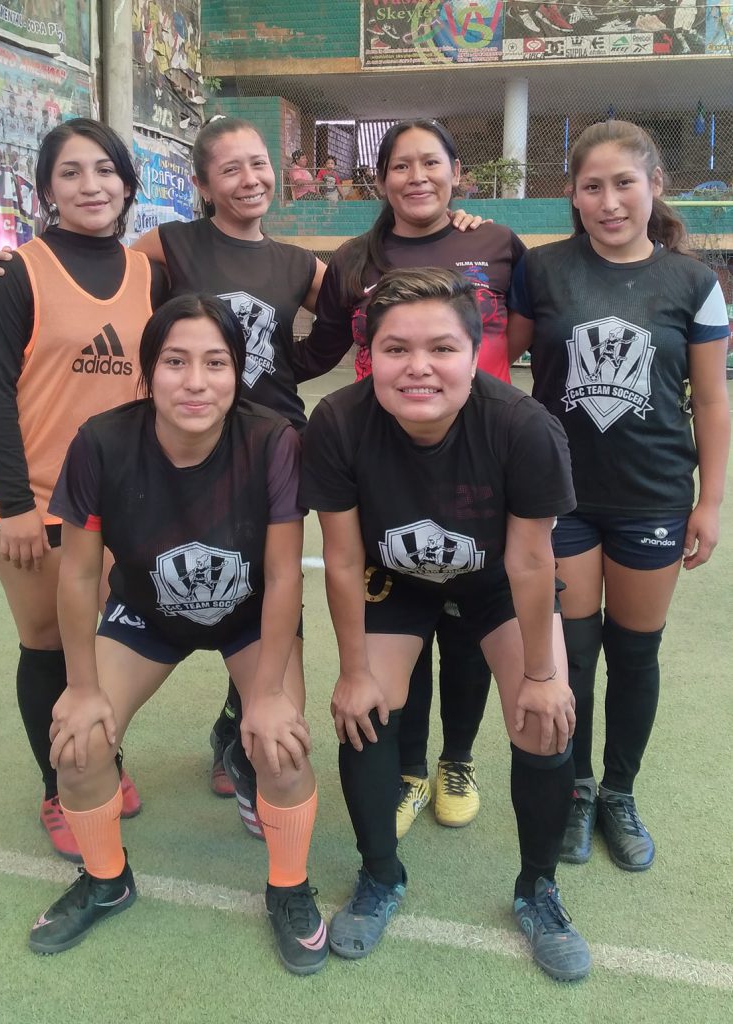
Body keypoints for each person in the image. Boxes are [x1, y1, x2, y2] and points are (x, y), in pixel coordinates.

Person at [0, 114, 483, 813]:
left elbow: (359, 305)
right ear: (202, 184)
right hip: (135, 462)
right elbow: (74, 287)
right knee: (99, 623)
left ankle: (235, 730)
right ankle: (73, 777)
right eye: (230, 168)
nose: (250, 179)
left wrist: (450, 232)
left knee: (247, 594)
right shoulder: (163, 249)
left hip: (256, 452)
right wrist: (13, 262)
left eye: (259, 163)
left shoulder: (274, 264)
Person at [300, 267, 591, 982]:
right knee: (365, 710)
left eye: (442, 348)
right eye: (396, 349)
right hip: (395, 578)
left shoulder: (523, 426)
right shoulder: (337, 421)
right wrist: (353, 672)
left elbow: (530, 561)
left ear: (476, 351)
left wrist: (543, 676)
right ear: (369, 355)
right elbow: (342, 559)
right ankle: (380, 875)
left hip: (494, 582)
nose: (419, 367)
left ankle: (538, 889)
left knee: (544, 720)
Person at [27, 294, 327, 975]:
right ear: (147, 371)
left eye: (216, 363)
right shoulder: (100, 442)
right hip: (146, 612)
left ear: (238, 372)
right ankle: (106, 881)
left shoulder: (273, 441)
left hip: (249, 613)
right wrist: (80, 687)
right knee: (78, 746)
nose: (196, 382)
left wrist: (268, 695)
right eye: (175, 362)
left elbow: (284, 575)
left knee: (280, 747)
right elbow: (78, 575)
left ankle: (288, 887)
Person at [293, 118, 526, 840]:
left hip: (477, 463)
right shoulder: (354, 259)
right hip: (386, 469)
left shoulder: (497, 244)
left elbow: (526, 332)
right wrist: (227, 367)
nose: (416, 177)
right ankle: (411, 768)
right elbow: (321, 348)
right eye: (400, 165)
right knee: (404, 617)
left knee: (467, 625)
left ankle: (458, 760)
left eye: (431, 163)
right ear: (381, 179)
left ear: (458, 173)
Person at [507, 120, 730, 872]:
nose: (609, 202)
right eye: (592, 187)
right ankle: (575, 789)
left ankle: (618, 793)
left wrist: (709, 502)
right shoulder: (540, 270)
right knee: (570, 653)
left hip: (654, 497)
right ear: (571, 195)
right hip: (560, 499)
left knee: (634, 654)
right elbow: (492, 355)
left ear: (655, 187)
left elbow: (712, 401)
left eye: (624, 184)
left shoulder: (694, 284)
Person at [0, 118, 167, 861]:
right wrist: (16, 508)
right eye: (71, 173)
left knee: (108, 641)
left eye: (105, 170)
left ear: (126, 183)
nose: (91, 186)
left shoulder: (147, 274)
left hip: (117, 502)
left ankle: (100, 758)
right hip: (32, 504)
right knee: (50, 645)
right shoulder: (20, 273)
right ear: (47, 190)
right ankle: (59, 787)